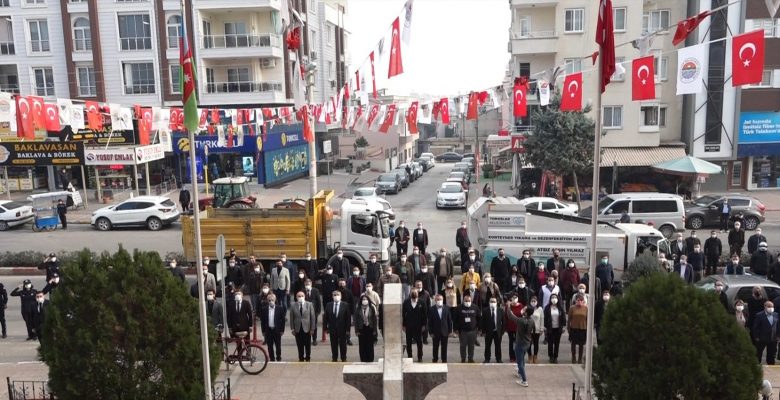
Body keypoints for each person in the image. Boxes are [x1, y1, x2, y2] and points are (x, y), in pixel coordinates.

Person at [506, 304, 534, 387]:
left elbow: (511, 316)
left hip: (520, 344)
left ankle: (524, 380)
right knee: (522, 359)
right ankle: (520, 373)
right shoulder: (531, 320)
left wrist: (508, 307)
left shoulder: (521, 321)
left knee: (519, 363)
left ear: (526, 312)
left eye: (524, 309)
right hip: (527, 343)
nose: (522, 309)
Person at [325, 290, 351, 362]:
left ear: (341, 296)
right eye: (334, 295)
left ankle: (343, 358)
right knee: (333, 344)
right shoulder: (328, 305)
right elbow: (325, 317)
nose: (336, 296)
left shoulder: (345, 305)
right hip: (332, 328)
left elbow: (348, 318)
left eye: (338, 295)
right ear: (332, 296)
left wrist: (348, 329)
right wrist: (325, 328)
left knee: (343, 344)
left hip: (342, 329)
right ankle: (334, 357)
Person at [403, 288, 427, 362]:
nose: (414, 294)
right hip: (409, 326)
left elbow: (425, 315)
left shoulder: (422, 302)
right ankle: (409, 357)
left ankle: (420, 357)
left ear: (417, 294)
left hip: (419, 326)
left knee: (419, 342)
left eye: (415, 293)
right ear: (410, 294)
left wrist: (424, 325)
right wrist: (403, 325)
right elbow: (403, 314)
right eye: (412, 293)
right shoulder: (406, 302)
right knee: (408, 342)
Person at [455, 294, 480, 363]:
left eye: (469, 301)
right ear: (463, 301)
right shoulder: (459, 308)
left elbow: (479, 318)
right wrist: (456, 329)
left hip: (473, 331)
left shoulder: (475, 307)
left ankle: (470, 358)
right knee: (463, 345)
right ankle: (463, 358)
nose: (467, 302)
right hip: (462, 331)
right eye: (466, 301)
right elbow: (455, 319)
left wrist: (479, 328)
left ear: (471, 301)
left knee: (471, 346)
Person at [259, 293, 285, 362]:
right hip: (268, 330)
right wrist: (263, 331)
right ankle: (272, 358)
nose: (271, 301)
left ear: (275, 300)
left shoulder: (280, 308)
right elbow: (262, 321)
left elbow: (283, 320)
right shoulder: (264, 309)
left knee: (278, 345)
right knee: (270, 346)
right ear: (267, 301)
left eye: (272, 300)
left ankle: (278, 357)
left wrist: (282, 330)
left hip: (277, 330)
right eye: (269, 300)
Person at [428, 294, 453, 363]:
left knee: (444, 347)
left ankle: (444, 359)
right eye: (438, 299)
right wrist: (430, 332)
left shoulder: (447, 308)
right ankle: (435, 359)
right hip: (435, 332)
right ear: (435, 300)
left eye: (440, 299)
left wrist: (450, 331)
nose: (439, 301)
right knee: (435, 346)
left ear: (443, 300)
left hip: (445, 331)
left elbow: (449, 320)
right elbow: (430, 322)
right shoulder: (431, 309)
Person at [354, 294, 379, 362]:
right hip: (361, 329)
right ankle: (363, 359)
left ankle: (370, 359)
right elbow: (356, 320)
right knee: (362, 345)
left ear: (368, 300)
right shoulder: (358, 309)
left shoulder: (372, 308)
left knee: (370, 345)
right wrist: (356, 330)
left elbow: (374, 320)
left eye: (366, 299)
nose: (364, 300)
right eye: (363, 299)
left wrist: (375, 330)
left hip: (370, 329)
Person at [753, 301, 779, 365]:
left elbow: (778, 326)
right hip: (762, 338)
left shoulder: (776, 314)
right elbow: (756, 327)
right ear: (765, 307)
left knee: (771, 355)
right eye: (769, 306)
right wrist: (756, 337)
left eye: (772, 306)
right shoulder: (759, 315)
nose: (771, 308)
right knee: (758, 353)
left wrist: (778, 335)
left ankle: (771, 366)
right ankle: (756, 365)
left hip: (773, 338)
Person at [543, 293, 566, 363]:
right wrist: (545, 327)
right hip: (550, 328)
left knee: (557, 343)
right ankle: (551, 356)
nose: (554, 299)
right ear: (550, 299)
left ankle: (555, 357)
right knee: (550, 343)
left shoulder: (560, 307)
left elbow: (563, 317)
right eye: (552, 298)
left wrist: (563, 326)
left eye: (555, 298)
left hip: (558, 328)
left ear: (558, 299)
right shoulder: (547, 308)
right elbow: (545, 318)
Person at [481, 298, 504, 363]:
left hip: (497, 331)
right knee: (487, 346)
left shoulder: (500, 310)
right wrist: (483, 331)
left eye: (494, 301)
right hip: (488, 331)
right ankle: (487, 358)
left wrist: (502, 331)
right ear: (489, 302)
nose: (492, 303)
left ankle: (498, 358)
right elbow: (482, 321)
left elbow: (503, 321)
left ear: (496, 302)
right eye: (491, 301)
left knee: (498, 346)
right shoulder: (485, 310)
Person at [568, 293, 588, 364]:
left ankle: (580, 358)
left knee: (581, 344)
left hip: (583, 328)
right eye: (578, 300)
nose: (579, 301)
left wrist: (588, 330)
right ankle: (573, 358)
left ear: (583, 301)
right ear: (575, 300)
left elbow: (587, 319)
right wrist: (568, 329)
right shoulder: (572, 308)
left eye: (581, 300)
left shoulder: (586, 308)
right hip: (574, 328)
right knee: (573, 344)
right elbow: (569, 319)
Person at [302, 279, 322, 347]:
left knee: (314, 326)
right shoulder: (302, 291)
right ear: (304, 284)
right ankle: (307, 340)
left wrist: (318, 312)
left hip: (314, 312)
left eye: (309, 283)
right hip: (305, 312)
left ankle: (314, 340)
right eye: (306, 283)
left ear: (311, 283)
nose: (307, 284)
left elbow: (318, 301)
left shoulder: (315, 290)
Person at [504, 294, 524, 362]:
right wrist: (505, 327)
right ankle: (512, 357)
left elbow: (523, 316)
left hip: (519, 327)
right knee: (511, 342)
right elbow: (506, 316)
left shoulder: (521, 306)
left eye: (516, 297)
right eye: (513, 297)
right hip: (510, 327)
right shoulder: (508, 306)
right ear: (511, 299)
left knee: (518, 342)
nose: (514, 299)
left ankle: (518, 356)